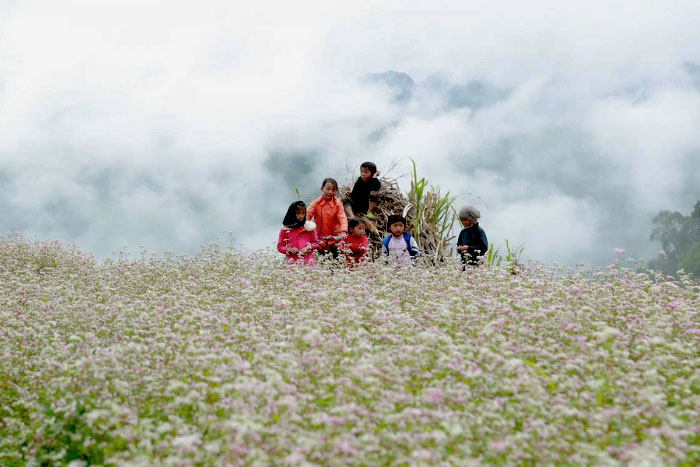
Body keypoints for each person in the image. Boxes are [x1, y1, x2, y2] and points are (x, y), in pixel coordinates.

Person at [307, 178, 348, 256]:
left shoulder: (338, 204)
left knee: (336, 262)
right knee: (321, 262)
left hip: (335, 239)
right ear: (322, 189)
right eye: (328, 189)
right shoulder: (316, 203)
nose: (330, 192)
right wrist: (303, 227)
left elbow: (342, 218)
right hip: (320, 239)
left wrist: (343, 231)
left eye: (333, 190)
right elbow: (307, 215)